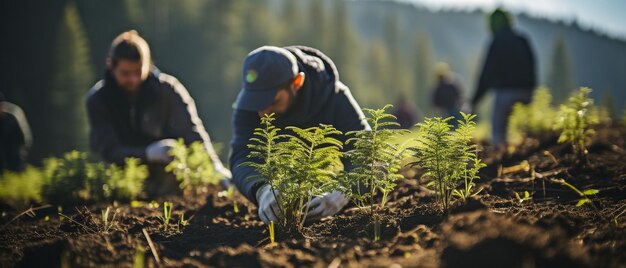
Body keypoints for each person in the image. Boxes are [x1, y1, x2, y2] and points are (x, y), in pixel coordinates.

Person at [229, 46, 369, 224]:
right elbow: (242, 157)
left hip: (330, 189)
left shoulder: (334, 97)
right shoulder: (250, 104)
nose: (263, 113)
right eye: (256, 102)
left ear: (296, 82)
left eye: (273, 101)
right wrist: (261, 190)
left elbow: (367, 153)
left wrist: (345, 189)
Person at [86, 30, 230, 196]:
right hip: (120, 180)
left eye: (138, 72)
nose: (133, 79)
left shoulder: (167, 90)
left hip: (168, 177)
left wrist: (214, 167)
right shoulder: (98, 100)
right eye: (126, 73)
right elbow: (109, 150)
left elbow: (192, 131)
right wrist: (148, 153)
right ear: (111, 65)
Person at [470, 8, 536, 145]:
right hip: (527, 92)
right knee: (527, 132)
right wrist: (532, 89)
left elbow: (487, 74)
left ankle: (500, 157)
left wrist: (474, 101)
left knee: (498, 134)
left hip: (505, 93)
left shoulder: (497, 41)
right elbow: (532, 64)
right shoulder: (522, 38)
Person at [0, 91, 32, 173]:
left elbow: (25, 138)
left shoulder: (14, 115)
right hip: (4, 148)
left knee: (16, 162)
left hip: (17, 146)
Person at [432, 62, 463, 127]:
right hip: (445, 110)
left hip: (453, 108)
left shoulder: (451, 85)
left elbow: (459, 96)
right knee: (449, 126)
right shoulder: (439, 87)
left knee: (453, 125)